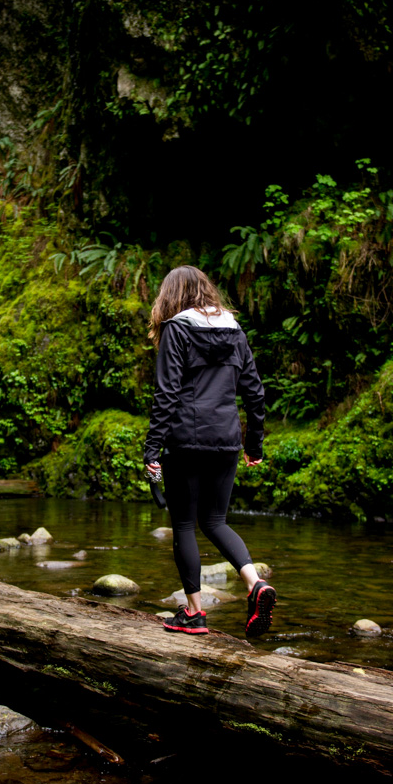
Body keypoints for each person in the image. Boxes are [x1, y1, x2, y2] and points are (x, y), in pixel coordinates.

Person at [143, 266, 275, 637]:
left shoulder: (176, 329)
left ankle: (194, 614)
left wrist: (152, 449)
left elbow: (166, 393)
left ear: (171, 296)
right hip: (227, 440)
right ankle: (254, 583)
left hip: (185, 440)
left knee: (184, 524)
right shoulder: (235, 331)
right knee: (216, 521)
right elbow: (255, 392)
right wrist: (254, 444)